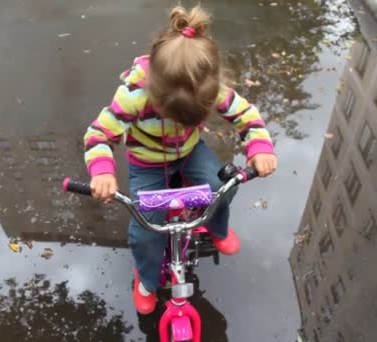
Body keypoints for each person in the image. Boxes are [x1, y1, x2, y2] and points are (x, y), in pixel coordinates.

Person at [83, 5, 277, 314]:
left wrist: (261, 148)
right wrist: (103, 172)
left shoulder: (209, 89)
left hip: (188, 152)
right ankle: (146, 278)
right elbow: (98, 135)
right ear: (154, 94)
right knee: (146, 228)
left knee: (222, 188)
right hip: (146, 163)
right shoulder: (134, 96)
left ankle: (217, 225)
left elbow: (246, 116)